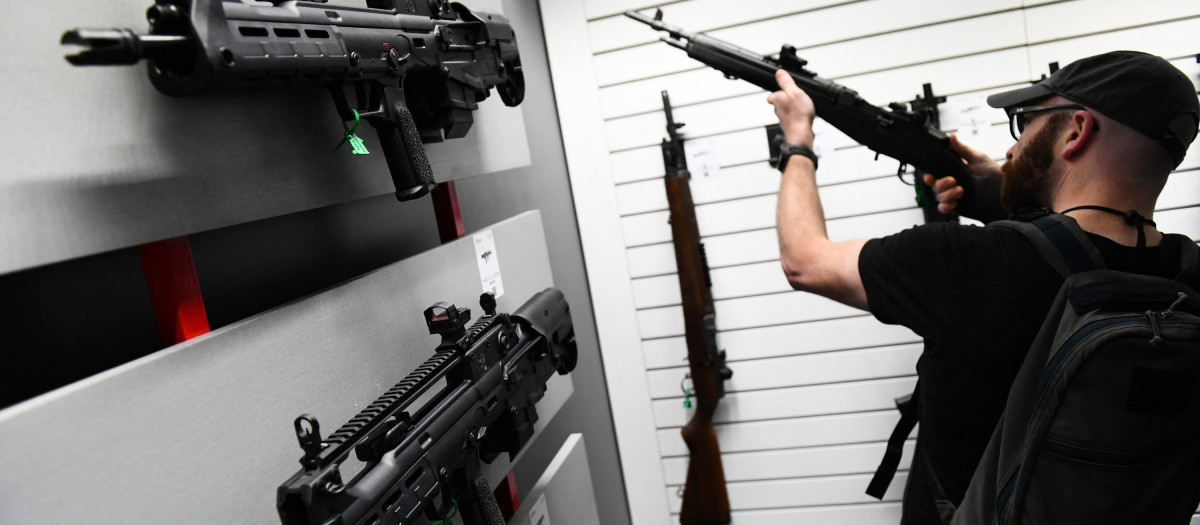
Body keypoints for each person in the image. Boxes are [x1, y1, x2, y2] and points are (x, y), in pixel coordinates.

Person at [766, 50, 1199, 524]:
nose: (1013, 148)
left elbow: (803, 260)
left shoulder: (967, 262)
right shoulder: (1186, 275)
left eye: (1027, 123)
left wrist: (798, 140)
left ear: (1076, 131)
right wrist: (1010, 187)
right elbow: (1078, 256)